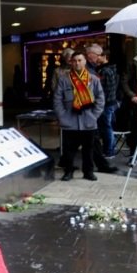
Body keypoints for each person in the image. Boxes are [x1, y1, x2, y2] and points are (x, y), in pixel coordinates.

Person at [54, 51, 105, 181]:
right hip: (69, 120)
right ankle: (68, 171)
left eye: (80, 60)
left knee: (88, 149)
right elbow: (57, 100)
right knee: (68, 150)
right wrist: (62, 116)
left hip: (88, 120)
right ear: (71, 62)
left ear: (85, 61)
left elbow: (100, 98)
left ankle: (88, 172)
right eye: (75, 60)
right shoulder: (64, 79)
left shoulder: (93, 79)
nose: (77, 63)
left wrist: (94, 115)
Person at [82, 45, 119, 174]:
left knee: (94, 137)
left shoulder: (98, 68)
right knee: (89, 137)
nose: (98, 58)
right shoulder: (88, 68)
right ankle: (70, 164)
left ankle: (99, 165)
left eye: (99, 55)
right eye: (96, 55)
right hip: (88, 107)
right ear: (89, 54)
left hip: (95, 107)